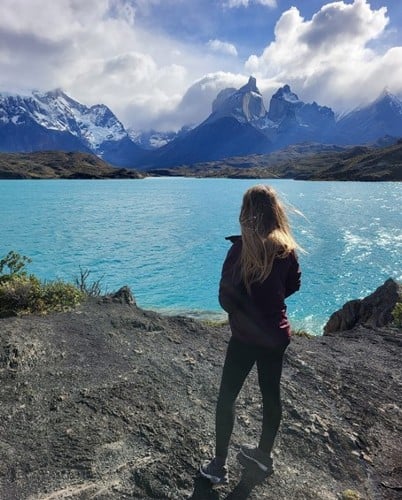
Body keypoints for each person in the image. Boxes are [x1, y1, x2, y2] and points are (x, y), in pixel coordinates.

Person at [200, 184, 302, 486]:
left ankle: (219, 465)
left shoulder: (240, 250)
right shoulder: (287, 249)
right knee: (271, 395)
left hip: (245, 338)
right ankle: (263, 455)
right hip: (277, 336)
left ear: (247, 213)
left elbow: (226, 299)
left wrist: (241, 307)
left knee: (227, 397)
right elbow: (293, 286)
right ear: (275, 211)